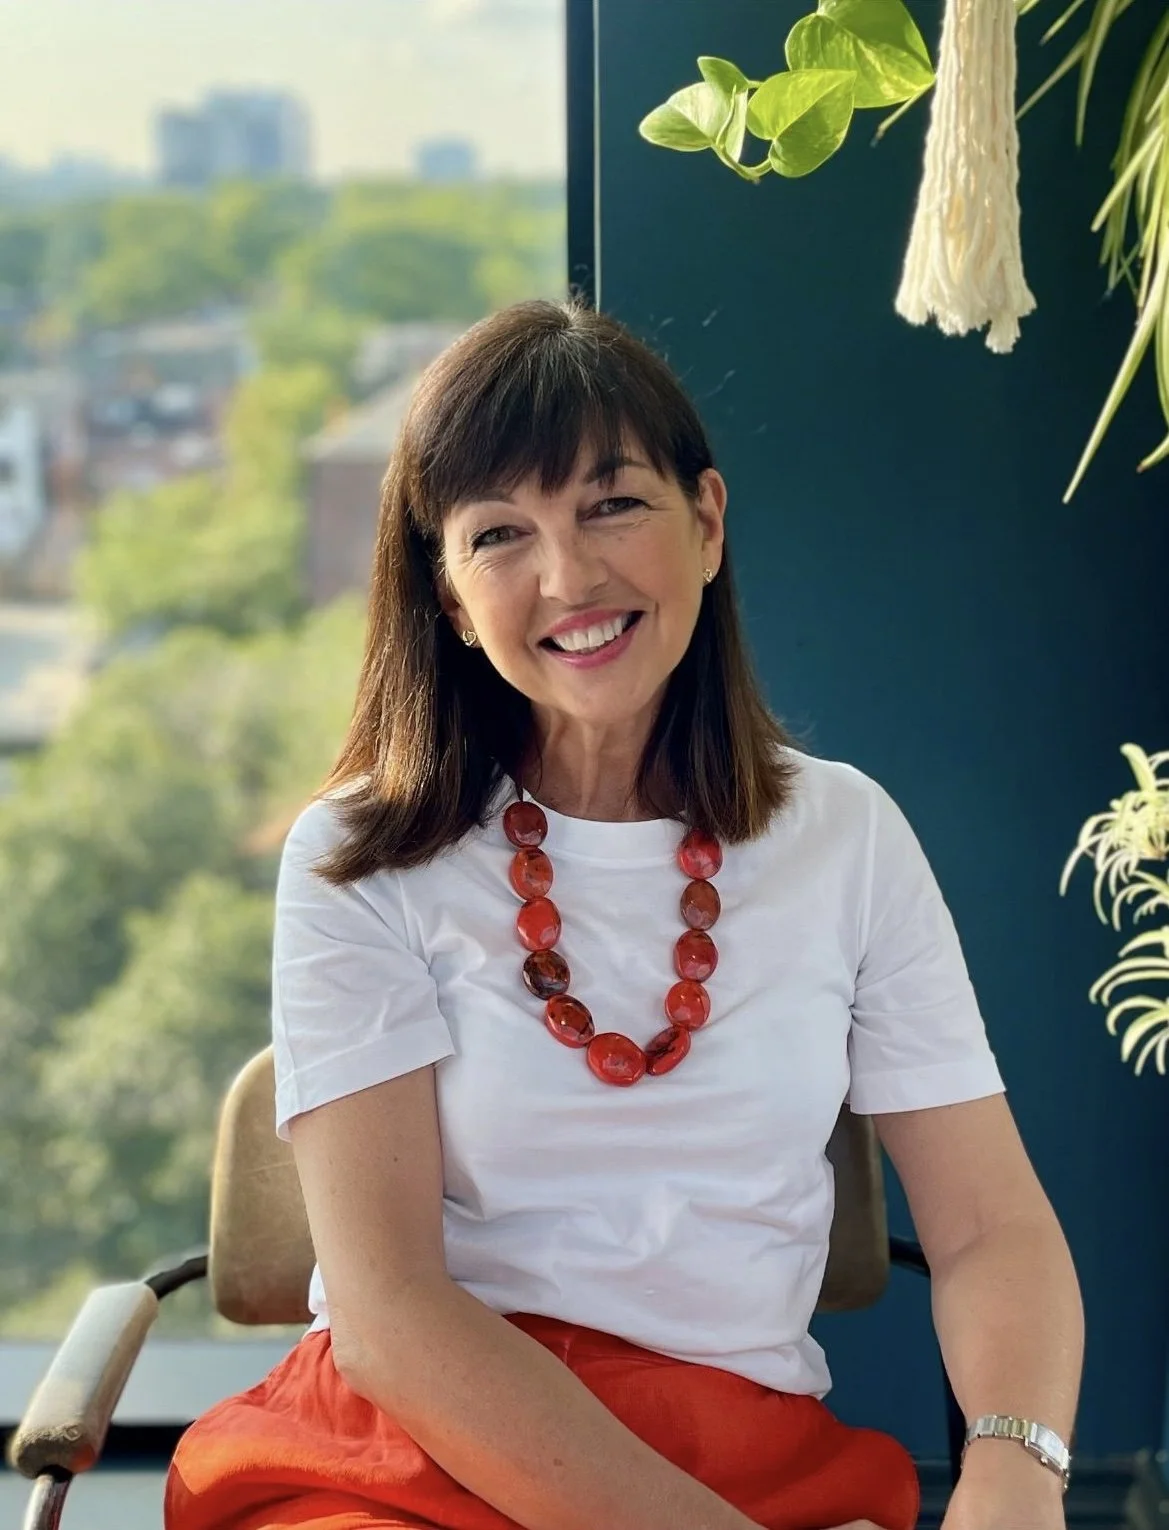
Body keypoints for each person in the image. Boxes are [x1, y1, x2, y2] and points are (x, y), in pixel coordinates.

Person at [165, 299, 1083, 1530]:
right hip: (417, 1446)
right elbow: (389, 1316)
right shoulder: (358, 855)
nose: (567, 577)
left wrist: (1011, 1479)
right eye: (500, 534)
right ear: (447, 597)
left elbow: (987, 1229)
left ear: (705, 522)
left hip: (741, 1446)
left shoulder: (846, 836)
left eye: (611, 504)